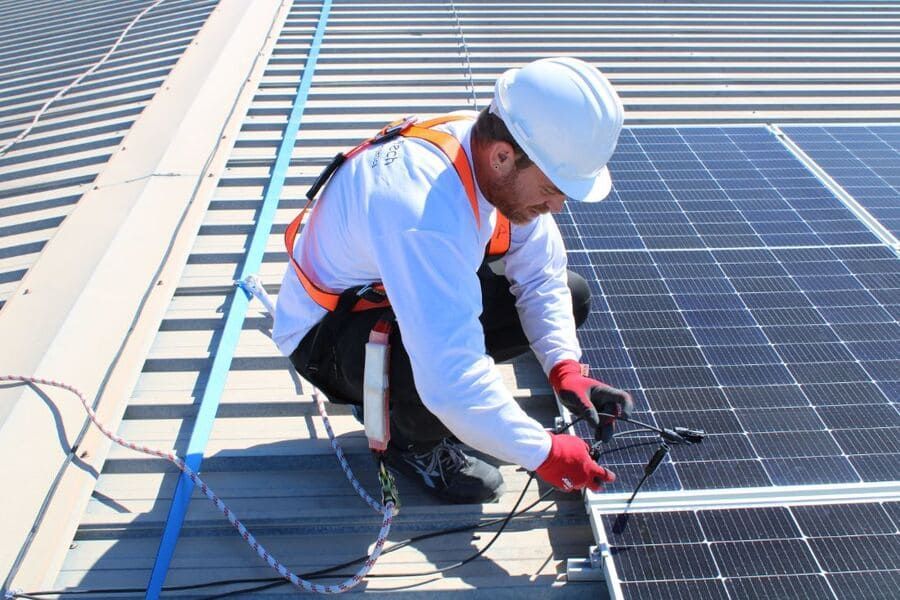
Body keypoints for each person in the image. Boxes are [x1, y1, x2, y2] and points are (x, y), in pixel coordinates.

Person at [273, 57, 632, 504]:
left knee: (570, 295)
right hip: (327, 335)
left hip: (389, 289)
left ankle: (424, 409)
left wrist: (564, 367)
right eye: (551, 190)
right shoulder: (422, 212)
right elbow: (452, 379)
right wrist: (544, 452)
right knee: (430, 372)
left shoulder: (489, 150)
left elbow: (541, 275)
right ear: (503, 157)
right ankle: (411, 442)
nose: (557, 206)